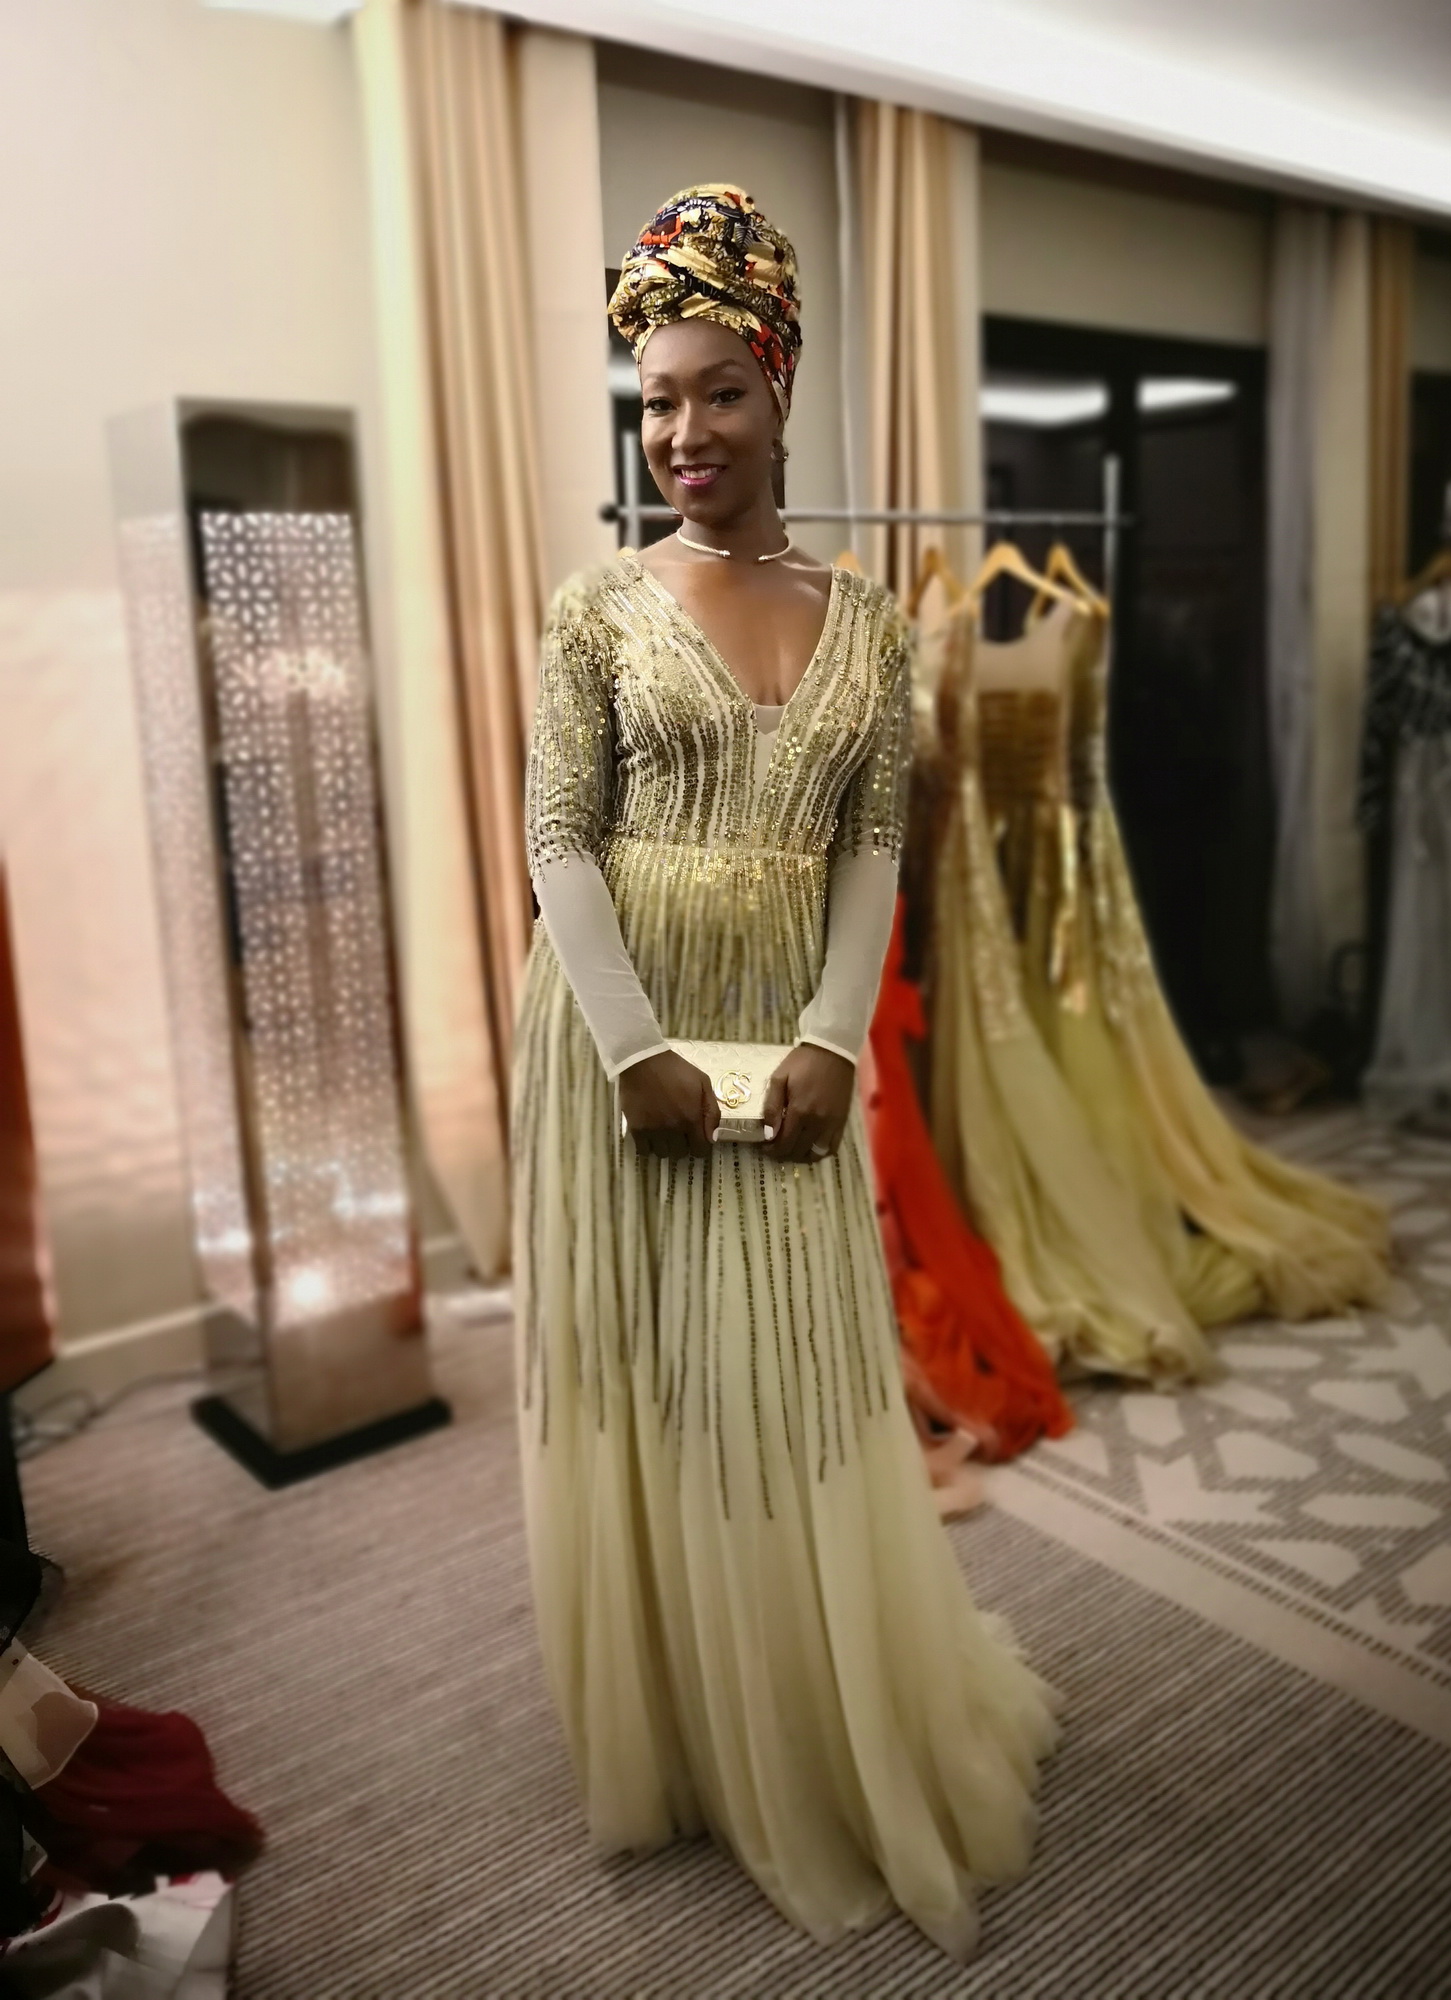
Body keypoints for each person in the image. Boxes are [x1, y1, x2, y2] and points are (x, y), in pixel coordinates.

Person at [513, 184, 1058, 1956]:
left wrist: (833, 1036)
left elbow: (872, 847)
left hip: (790, 1037)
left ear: (781, 387)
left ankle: (814, 1720)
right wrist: (631, 1046)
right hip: (622, 1040)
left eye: (718, 394)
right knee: (658, 1377)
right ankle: (690, 1731)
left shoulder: (869, 618)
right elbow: (559, 842)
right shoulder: (596, 609)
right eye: (655, 401)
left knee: (789, 1381)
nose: (682, 433)